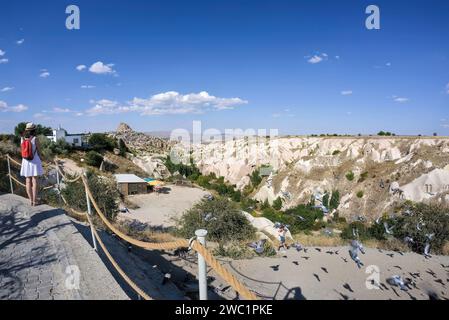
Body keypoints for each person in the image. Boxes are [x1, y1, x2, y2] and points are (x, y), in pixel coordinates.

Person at [20, 123, 44, 206]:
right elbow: (39, 151)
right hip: (34, 161)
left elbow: (22, 150)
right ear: (34, 130)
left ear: (26, 129)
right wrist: (42, 159)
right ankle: (34, 201)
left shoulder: (22, 138)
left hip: (26, 161)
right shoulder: (35, 138)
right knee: (34, 181)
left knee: (27, 181)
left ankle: (30, 200)